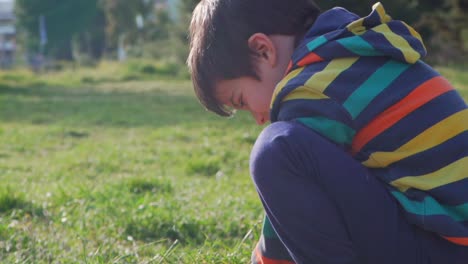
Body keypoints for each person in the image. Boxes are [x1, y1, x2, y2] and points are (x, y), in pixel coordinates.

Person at [187, 0, 468, 263]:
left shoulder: (309, 88)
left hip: (443, 247)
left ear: (263, 50)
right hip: (448, 237)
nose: (258, 118)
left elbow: (291, 187)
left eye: (242, 101)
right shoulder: (349, 54)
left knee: (276, 149)